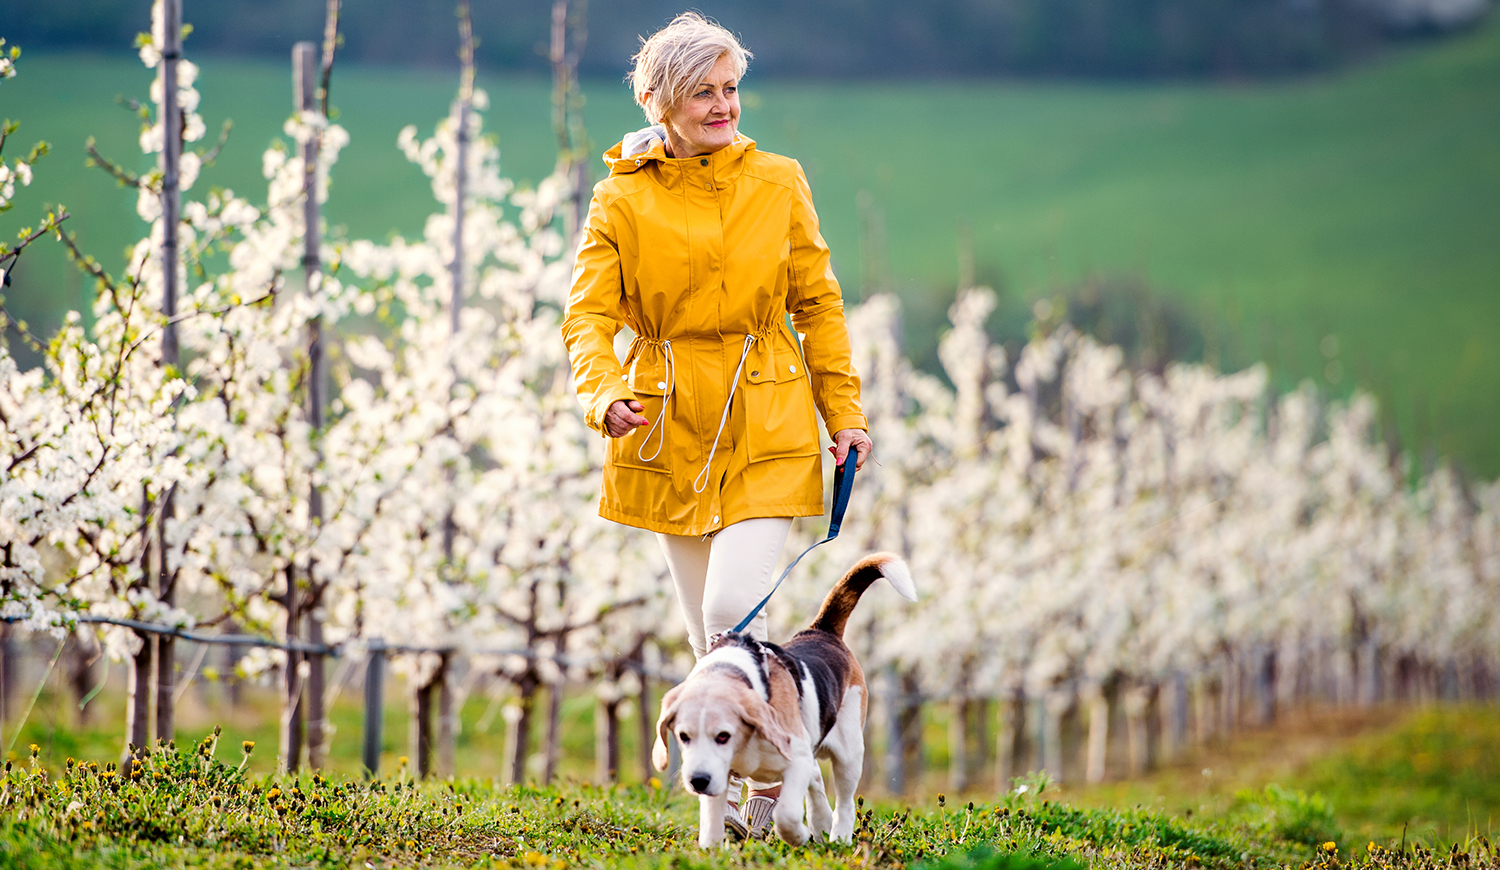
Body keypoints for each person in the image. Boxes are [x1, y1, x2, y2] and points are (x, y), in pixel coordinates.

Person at [560, 11, 872, 838]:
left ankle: (771, 797)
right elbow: (587, 317)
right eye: (705, 91)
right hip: (665, 430)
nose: (725, 105)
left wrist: (844, 412)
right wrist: (600, 395)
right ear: (663, 102)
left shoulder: (779, 181)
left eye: (731, 88)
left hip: (767, 412)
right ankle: (727, 806)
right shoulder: (618, 197)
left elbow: (819, 303)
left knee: (737, 611)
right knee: (708, 638)